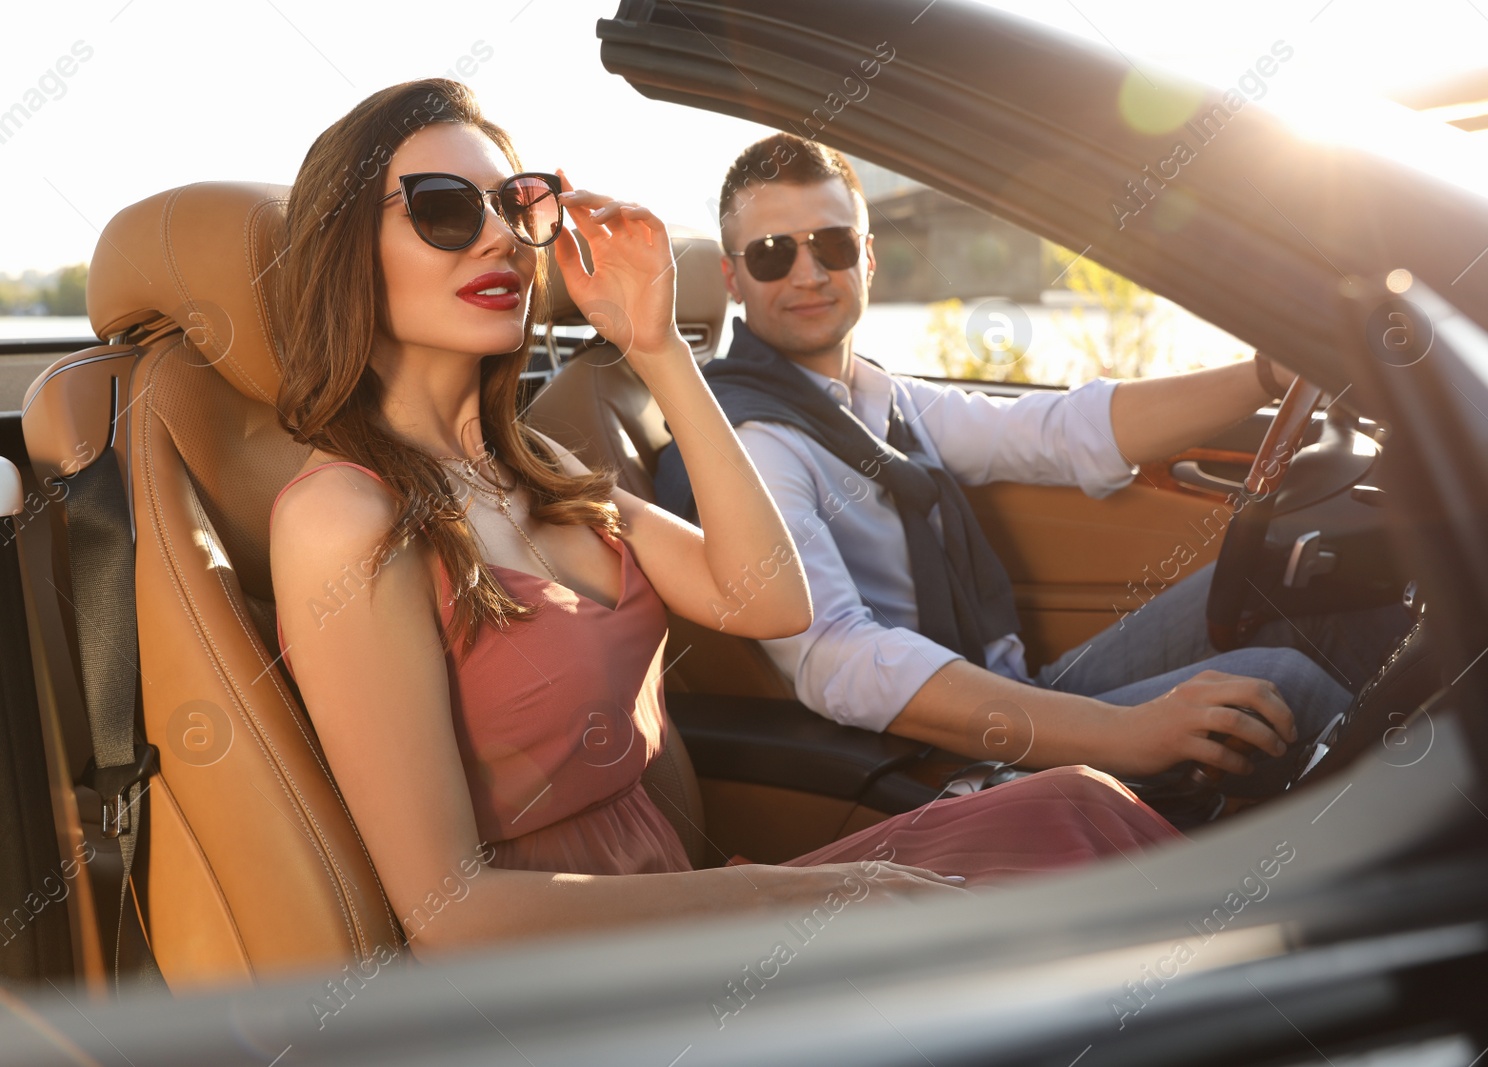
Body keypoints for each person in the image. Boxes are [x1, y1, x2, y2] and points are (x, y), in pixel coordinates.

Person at [268, 80, 1183, 956]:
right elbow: (449, 915)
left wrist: (661, 348)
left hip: (699, 914)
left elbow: (771, 600)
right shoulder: (342, 518)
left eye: (516, 206)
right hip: (576, 988)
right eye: (442, 208)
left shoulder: (536, 470)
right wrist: (804, 894)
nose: (498, 239)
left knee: (1073, 806)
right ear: (347, 245)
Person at [656, 133, 1409, 803]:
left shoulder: (874, 398)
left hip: (1012, 688)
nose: (809, 273)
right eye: (772, 254)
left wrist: (1267, 376)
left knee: (1310, 585)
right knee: (1283, 690)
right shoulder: (755, 436)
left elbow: (1056, 431)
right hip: (940, 756)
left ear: (869, 254)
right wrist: (1125, 734)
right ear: (732, 278)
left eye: (833, 245)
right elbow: (840, 660)